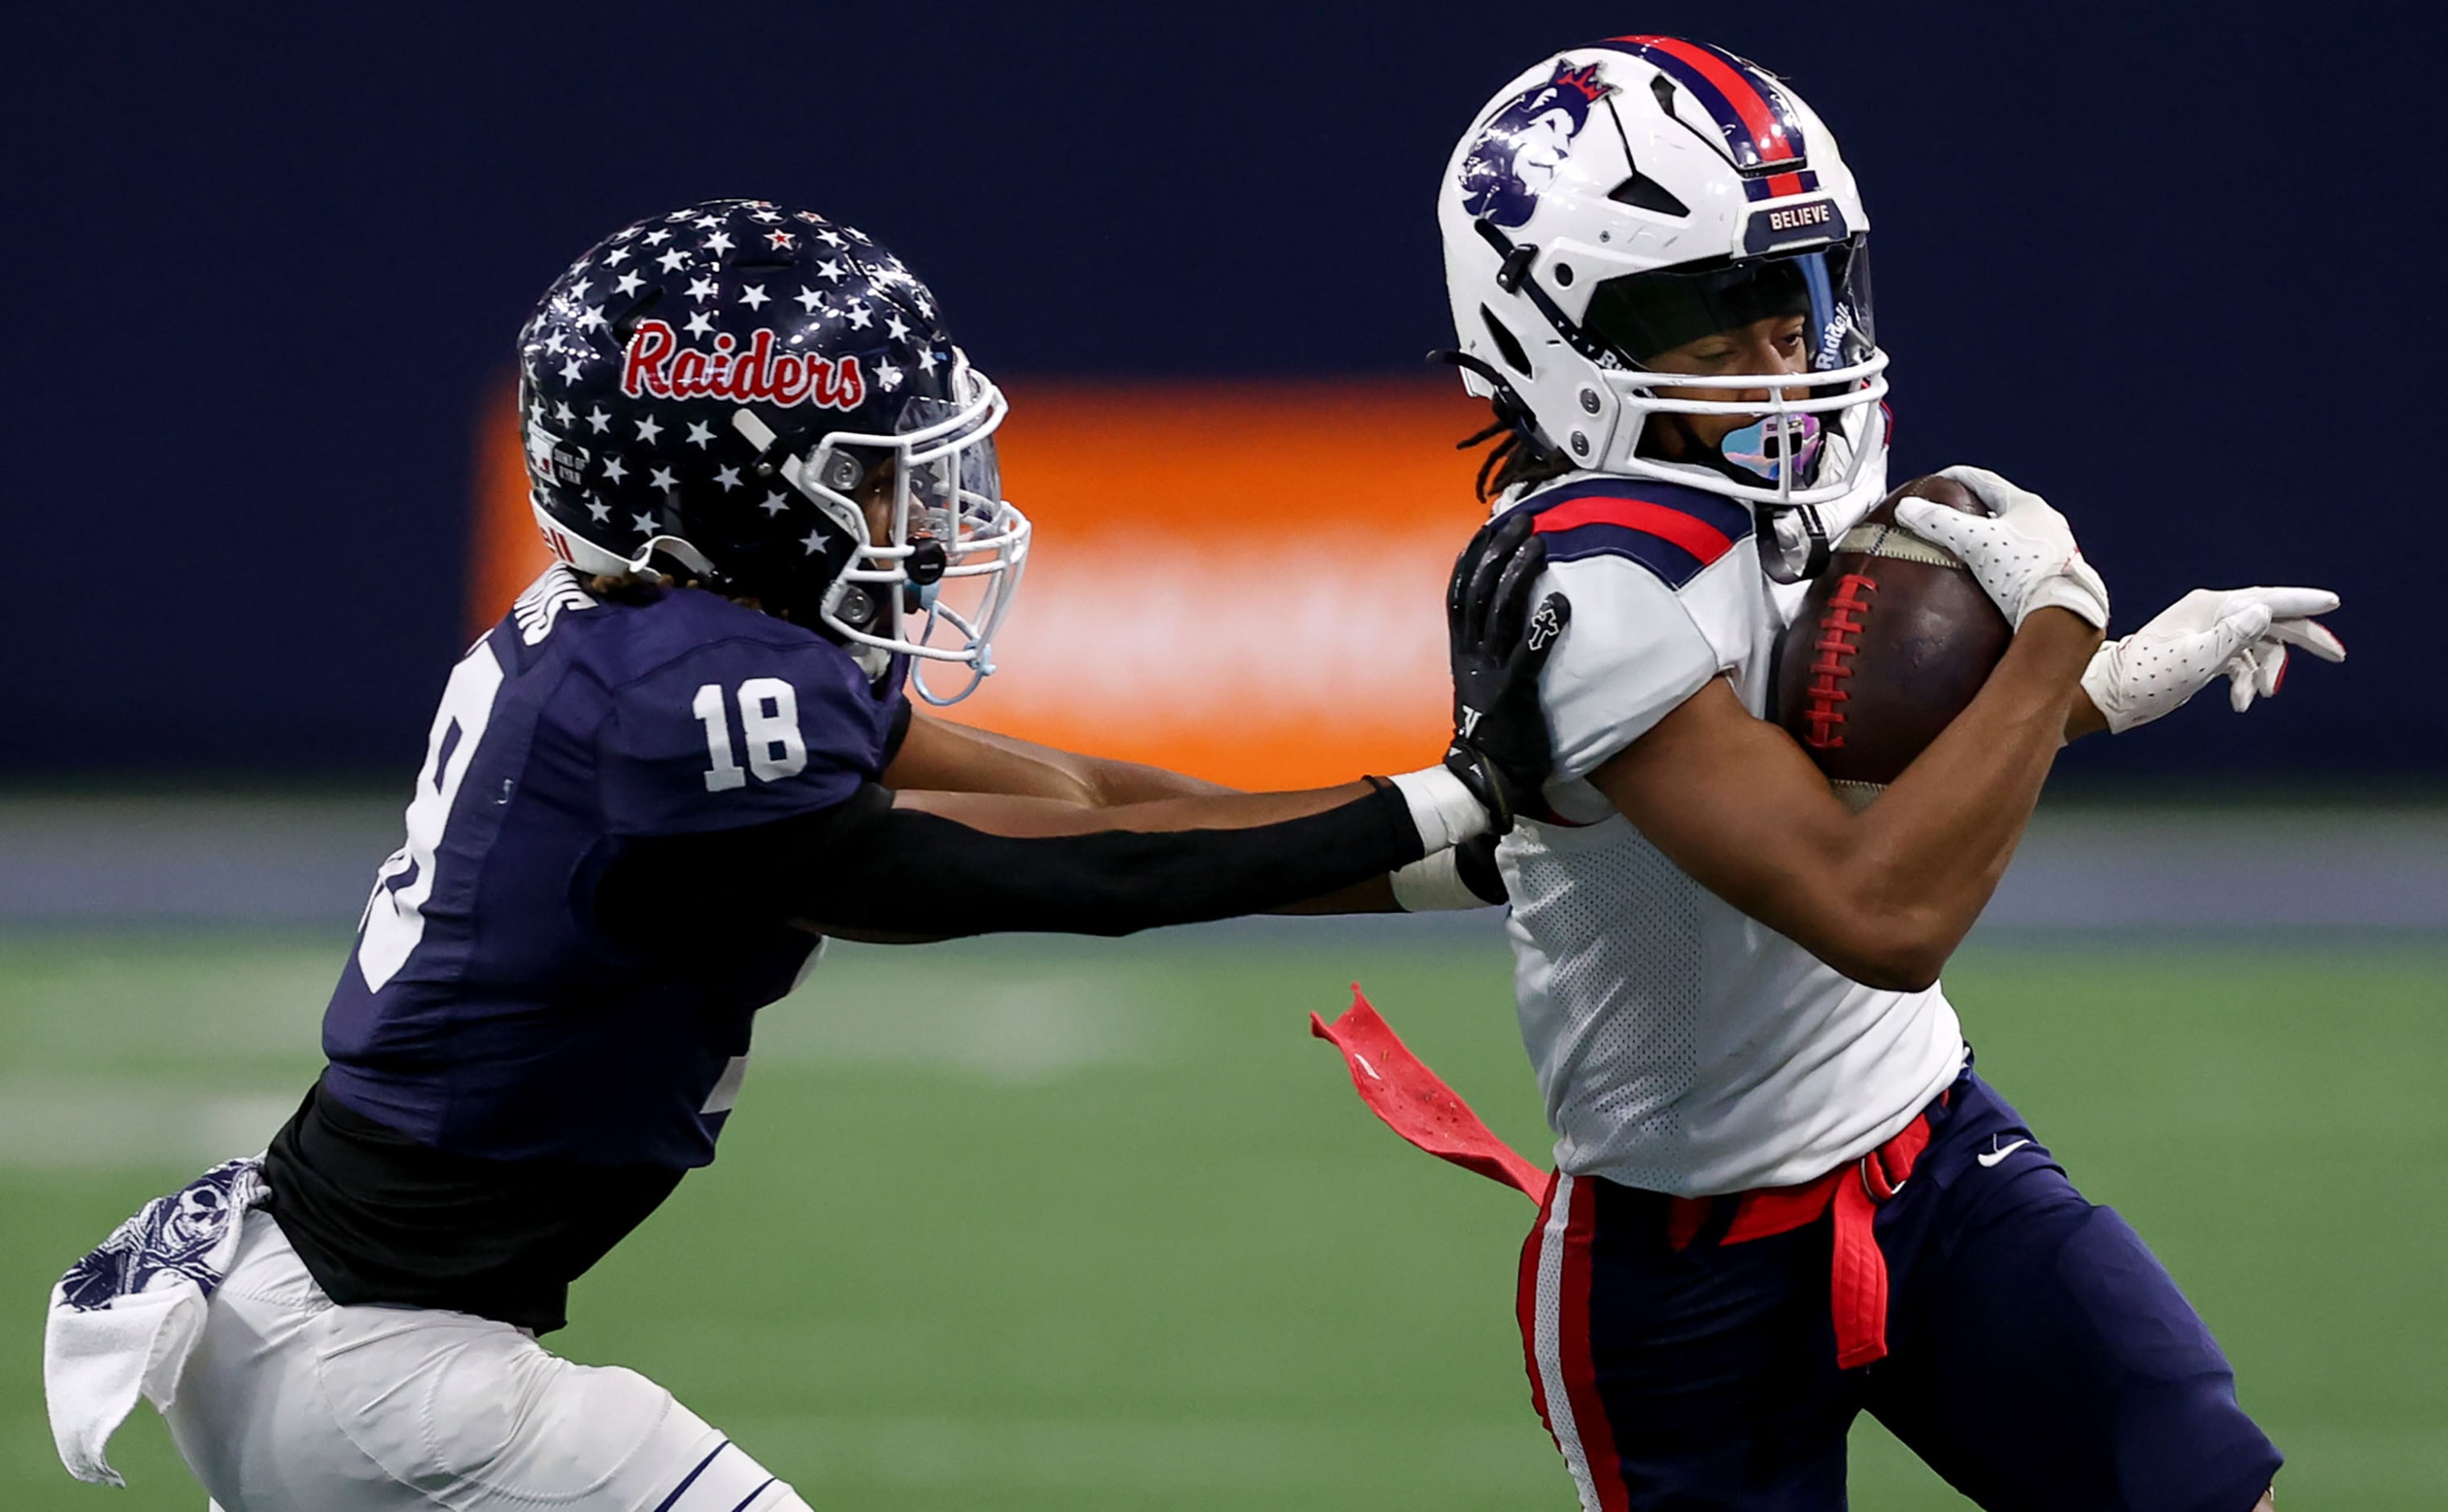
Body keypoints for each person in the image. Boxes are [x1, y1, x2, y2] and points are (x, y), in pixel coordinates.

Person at [40, 198, 1560, 1511]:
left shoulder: (659, 651)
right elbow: (1051, 880)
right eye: (875, 471)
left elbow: (1088, 801)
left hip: (319, 1318)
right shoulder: (677, 700)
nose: (920, 508)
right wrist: (1436, 805)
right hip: (375, 1358)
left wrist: (1436, 838)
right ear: (729, 491)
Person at [1425, 38, 2344, 1512]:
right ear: (1544, 325)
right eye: (1708, 308)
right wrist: (2059, 628)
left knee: (2197, 1482)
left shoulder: (1803, 477)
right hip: (1687, 1268)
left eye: (1793, 290)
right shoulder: (1584, 584)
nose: (1784, 351)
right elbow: (1880, 908)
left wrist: (2104, 686)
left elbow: (1873, 768)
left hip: (1926, 1151)